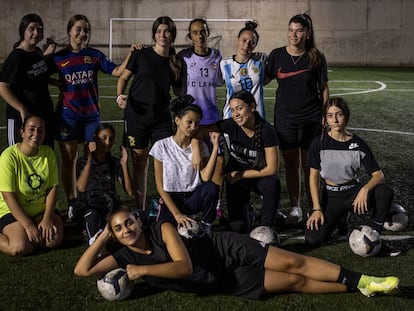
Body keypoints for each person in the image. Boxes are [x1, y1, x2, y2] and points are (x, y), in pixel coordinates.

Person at [74, 206, 400, 299]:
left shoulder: (163, 229)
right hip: (222, 282)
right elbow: (82, 271)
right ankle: (359, 287)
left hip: (224, 248)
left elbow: (183, 267)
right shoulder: (124, 257)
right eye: (118, 228)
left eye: (128, 223)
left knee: (293, 261)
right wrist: (102, 235)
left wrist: (143, 272)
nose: (126, 230)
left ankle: (364, 278)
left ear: (137, 222)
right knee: (293, 282)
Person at [48, 14, 135, 220]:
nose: (82, 33)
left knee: (92, 158)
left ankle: (89, 199)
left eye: (85, 30)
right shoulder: (59, 58)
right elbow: (39, 72)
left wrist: (131, 54)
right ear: (69, 31)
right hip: (68, 116)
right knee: (70, 160)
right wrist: (56, 82)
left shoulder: (94, 55)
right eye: (78, 29)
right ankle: (72, 202)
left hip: (91, 117)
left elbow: (116, 71)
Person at [305, 98, 401, 256]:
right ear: (325, 119)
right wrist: (316, 208)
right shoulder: (318, 143)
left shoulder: (358, 144)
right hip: (331, 196)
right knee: (312, 239)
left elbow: (378, 175)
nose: (335, 120)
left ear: (346, 116)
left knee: (384, 192)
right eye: (330, 115)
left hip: (353, 193)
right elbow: (313, 177)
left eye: (339, 114)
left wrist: (364, 189)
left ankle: (376, 237)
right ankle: (340, 219)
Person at [266, 13, 329, 223]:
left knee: (309, 165)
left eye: (299, 30)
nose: (294, 34)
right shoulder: (276, 56)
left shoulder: (316, 56)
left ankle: (314, 207)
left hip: (311, 118)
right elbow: (262, 79)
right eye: (291, 29)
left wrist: (325, 114)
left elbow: (324, 88)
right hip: (284, 118)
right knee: (291, 164)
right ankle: (296, 207)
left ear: (307, 33)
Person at [116, 16, 185, 211]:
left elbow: (179, 92)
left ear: (172, 35)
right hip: (136, 117)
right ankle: (141, 209)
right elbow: (123, 78)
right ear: (154, 34)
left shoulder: (176, 61)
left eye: (167, 31)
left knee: (165, 164)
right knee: (140, 163)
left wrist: (180, 74)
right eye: (159, 31)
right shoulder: (141, 54)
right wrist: (120, 95)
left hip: (161, 119)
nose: (163, 35)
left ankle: (166, 207)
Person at [196, 90, 281, 233]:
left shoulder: (267, 130)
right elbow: (199, 132)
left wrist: (241, 174)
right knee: (238, 228)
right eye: (232, 110)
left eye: (240, 108)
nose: (236, 114)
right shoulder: (229, 125)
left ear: (252, 107)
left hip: (257, 176)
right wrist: (196, 150)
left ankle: (266, 225)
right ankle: (249, 214)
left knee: (273, 184)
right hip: (236, 179)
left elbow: (272, 168)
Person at [149, 95, 220, 233]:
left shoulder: (201, 147)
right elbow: (160, 186)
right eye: (189, 122)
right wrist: (177, 214)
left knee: (212, 187)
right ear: (177, 120)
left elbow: (205, 178)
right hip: (171, 198)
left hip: (193, 197)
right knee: (163, 234)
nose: (193, 127)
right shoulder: (161, 146)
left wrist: (215, 148)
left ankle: (206, 227)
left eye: (197, 123)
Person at [177, 18, 226, 217]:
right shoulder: (184, 58)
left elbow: (223, 80)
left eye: (203, 31)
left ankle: (217, 206)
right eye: (195, 32)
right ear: (190, 36)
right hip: (192, 122)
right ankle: (195, 204)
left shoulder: (217, 56)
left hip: (212, 118)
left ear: (208, 33)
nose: (199, 35)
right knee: (197, 163)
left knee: (220, 162)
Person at [0, 114, 64, 256]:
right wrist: (27, 225)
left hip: (40, 210)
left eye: (40, 130)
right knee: (20, 247)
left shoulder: (48, 153)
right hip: (13, 210)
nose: (36, 134)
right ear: (22, 132)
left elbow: (53, 187)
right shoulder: (8, 157)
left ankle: (36, 223)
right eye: (32, 129)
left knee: (52, 241)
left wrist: (47, 218)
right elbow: (7, 195)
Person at [0, 13, 57, 148]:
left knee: (43, 156)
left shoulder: (36, 52)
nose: (36, 33)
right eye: (31, 29)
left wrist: (56, 83)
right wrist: (22, 109)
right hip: (22, 118)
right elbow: (2, 87)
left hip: (42, 114)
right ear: (23, 30)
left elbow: (37, 72)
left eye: (39, 29)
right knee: (19, 158)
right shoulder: (17, 57)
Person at [76, 123, 134, 245]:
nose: (108, 142)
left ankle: (106, 231)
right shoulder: (83, 161)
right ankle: (95, 241)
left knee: (133, 216)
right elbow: (81, 188)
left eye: (111, 138)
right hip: (91, 207)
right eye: (104, 137)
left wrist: (124, 165)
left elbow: (130, 191)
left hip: (111, 207)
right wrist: (88, 163)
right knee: (92, 216)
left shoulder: (114, 162)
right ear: (95, 138)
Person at [220, 20, 269, 119]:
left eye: (252, 43)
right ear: (237, 40)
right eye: (244, 40)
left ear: (255, 45)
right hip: (232, 117)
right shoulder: (224, 64)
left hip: (256, 117)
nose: (247, 45)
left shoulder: (261, 60)